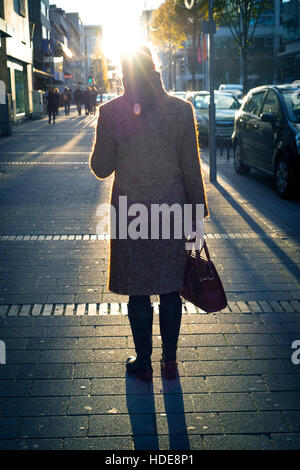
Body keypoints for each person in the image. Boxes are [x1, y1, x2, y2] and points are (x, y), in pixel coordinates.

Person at [90, 46, 208, 382]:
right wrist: (197, 215)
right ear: (155, 69)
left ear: (125, 72)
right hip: (171, 206)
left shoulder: (112, 112)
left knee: (138, 289)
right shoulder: (181, 110)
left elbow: (101, 167)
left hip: (131, 210)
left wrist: (112, 137)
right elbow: (190, 167)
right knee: (171, 287)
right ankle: (169, 363)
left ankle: (143, 362)